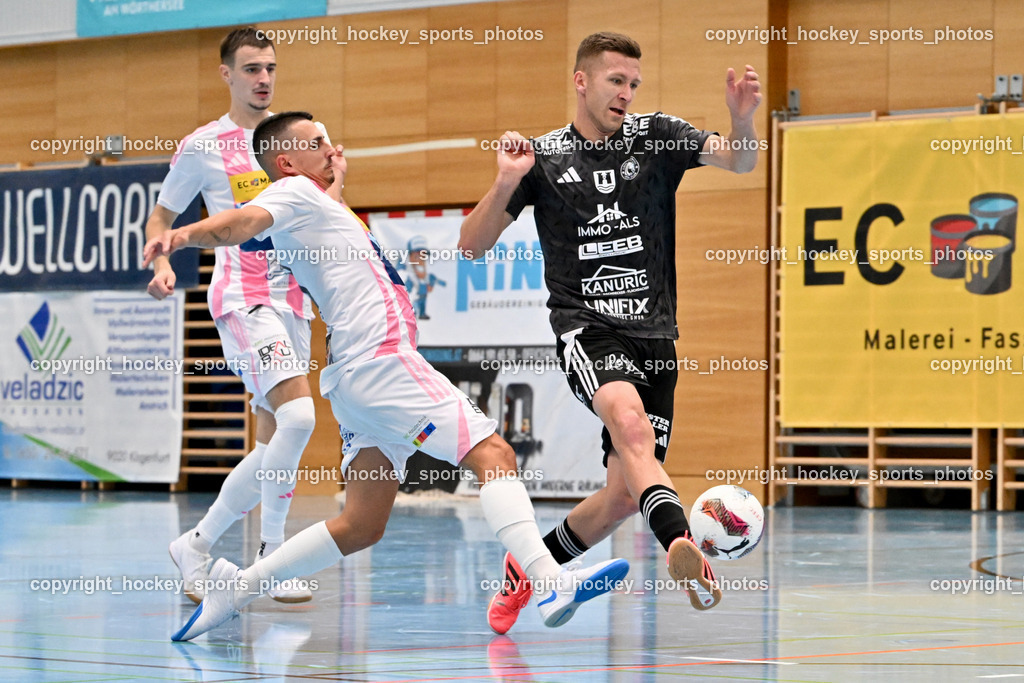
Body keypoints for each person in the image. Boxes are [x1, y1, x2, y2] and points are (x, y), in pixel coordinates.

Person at [143, 111, 630, 642]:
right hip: (383, 362)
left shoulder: (317, 207)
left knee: (361, 525)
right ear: (286, 162)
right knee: (494, 455)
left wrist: (337, 178)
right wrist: (181, 235)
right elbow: (240, 223)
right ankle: (548, 579)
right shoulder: (292, 195)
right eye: (318, 143)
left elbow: (322, 224)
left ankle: (237, 589)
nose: (333, 148)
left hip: (356, 381)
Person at [458, 31, 761, 634]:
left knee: (623, 494)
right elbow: (470, 247)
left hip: (657, 336)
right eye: (615, 81)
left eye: (633, 84)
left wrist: (740, 119)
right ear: (582, 81)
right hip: (587, 326)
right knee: (630, 424)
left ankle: (525, 572)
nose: (626, 93)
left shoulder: (657, 138)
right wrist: (503, 182)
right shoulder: (541, 159)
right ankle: (681, 543)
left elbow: (741, 159)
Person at [145, 27, 344, 605]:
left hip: (292, 303)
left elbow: (325, 210)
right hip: (242, 300)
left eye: (271, 68)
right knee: (301, 419)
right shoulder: (204, 145)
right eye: (252, 68)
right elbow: (163, 216)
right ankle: (271, 559)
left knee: (274, 442)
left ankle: (200, 546)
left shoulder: (298, 135)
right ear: (227, 74)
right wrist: (164, 264)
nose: (263, 79)